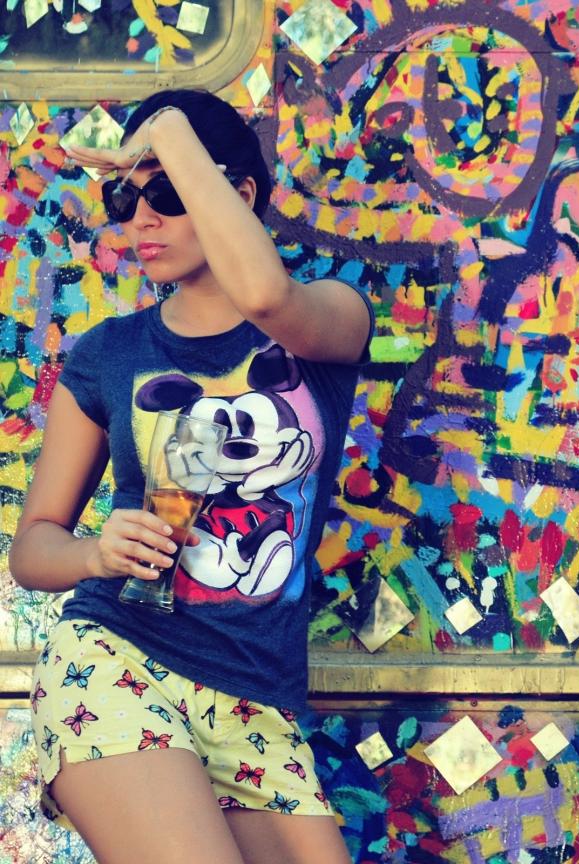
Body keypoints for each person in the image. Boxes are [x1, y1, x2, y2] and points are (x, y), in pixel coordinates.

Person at [10, 89, 371, 864]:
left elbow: (266, 294)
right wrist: (94, 552)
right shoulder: (108, 353)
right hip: (117, 656)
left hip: (258, 698)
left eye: (168, 194)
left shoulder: (330, 317)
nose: (141, 220)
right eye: (125, 198)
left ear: (238, 192)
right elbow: (33, 547)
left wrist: (169, 129)